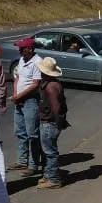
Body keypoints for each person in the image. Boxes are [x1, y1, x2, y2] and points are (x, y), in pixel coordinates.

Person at [10, 38, 41, 173]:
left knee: (32, 133)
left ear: (30, 49)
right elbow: (17, 78)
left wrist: (20, 95)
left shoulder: (37, 62)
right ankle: (22, 160)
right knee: (20, 131)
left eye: (22, 48)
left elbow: (35, 84)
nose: (20, 51)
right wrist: (15, 93)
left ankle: (33, 164)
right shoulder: (22, 60)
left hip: (30, 100)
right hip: (20, 100)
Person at [38, 56, 68, 189]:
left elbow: (55, 107)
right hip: (50, 122)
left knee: (50, 152)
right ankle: (48, 175)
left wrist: (58, 122)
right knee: (48, 151)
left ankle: (54, 179)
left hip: (49, 123)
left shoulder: (50, 87)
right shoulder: (55, 84)